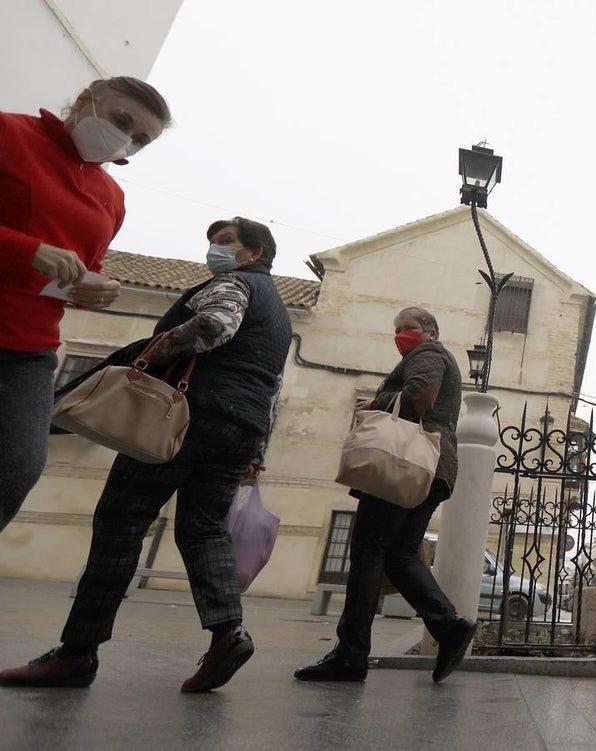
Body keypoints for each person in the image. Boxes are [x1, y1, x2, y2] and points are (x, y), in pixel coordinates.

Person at [0, 217, 292, 692]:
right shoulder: (279, 311)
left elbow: (215, 325)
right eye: (212, 242)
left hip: (183, 416)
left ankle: (77, 652)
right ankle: (228, 634)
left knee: (121, 520)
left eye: (225, 242)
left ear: (255, 253)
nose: (214, 250)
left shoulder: (237, 282)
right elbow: (274, 385)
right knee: (203, 530)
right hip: (241, 428)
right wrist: (256, 450)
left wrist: (151, 354)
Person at [0, 76, 171, 533]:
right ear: (84, 99)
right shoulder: (9, 134)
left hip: (28, 350)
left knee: (15, 469)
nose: (127, 139)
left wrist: (98, 288)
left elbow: (86, 265)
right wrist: (25, 249)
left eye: (140, 139)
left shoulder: (111, 197)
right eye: (122, 121)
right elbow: (35, 254)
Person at [294, 307, 475, 684]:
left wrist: (375, 404)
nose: (401, 337)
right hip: (433, 467)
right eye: (396, 331)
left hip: (406, 463)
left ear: (430, 331)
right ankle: (449, 625)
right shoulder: (436, 355)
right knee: (399, 554)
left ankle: (350, 655)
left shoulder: (427, 354)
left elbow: (420, 396)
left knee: (368, 550)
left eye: (408, 328)